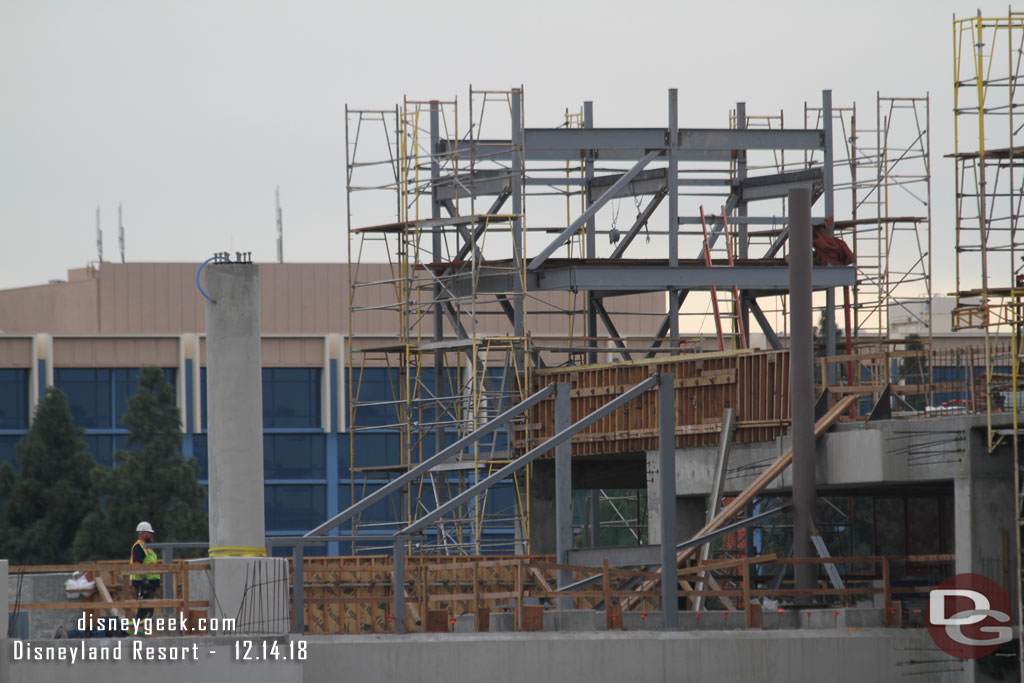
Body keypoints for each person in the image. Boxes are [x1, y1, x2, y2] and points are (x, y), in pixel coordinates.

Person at [130, 521, 160, 625]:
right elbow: (138, 565)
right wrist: (144, 579)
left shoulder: (147, 548)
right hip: (142, 582)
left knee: (149, 609)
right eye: (149, 533)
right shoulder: (139, 547)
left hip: (150, 582)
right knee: (144, 609)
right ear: (142, 533)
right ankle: (137, 630)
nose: (151, 535)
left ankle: (144, 630)